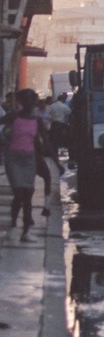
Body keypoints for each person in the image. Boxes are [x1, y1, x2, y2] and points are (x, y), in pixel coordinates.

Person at [1, 89, 50, 241]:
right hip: (13, 159)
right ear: (22, 101)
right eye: (28, 99)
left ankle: (26, 231)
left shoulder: (37, 120)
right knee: (19, 193)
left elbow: (45, 141)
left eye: (33, 99)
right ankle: (13, 226)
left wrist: (55, 161)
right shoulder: (13, 116)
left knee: (28, 193)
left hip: (29, 159)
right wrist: (4, 142)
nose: (31, 103)